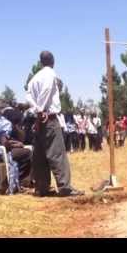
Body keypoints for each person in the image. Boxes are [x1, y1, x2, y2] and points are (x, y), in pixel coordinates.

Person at [25, 51, 84, 197]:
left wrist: (36, 112)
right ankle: (65, 187)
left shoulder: (34, 78)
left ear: (41, 62)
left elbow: (28, 96)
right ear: (53, 61)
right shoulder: (50, 74)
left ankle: (42, 188)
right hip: (48, 118)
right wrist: (41, 111)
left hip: (38, 120)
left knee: (40, 155)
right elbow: (46, 91)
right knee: (57, 153)